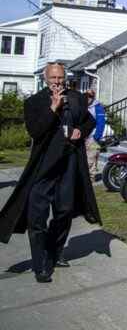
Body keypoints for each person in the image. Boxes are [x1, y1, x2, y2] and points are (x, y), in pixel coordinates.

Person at [0, 63, 101, 283]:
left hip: (69, 164)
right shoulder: (34, 102)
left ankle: (53, 251)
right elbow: (35, 131)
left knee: (64, 211)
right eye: (53, 78)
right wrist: (52, 109)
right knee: (37, 217)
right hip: (43, 167)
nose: (57, 81)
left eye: (60, 77)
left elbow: (89, 121)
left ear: (65, 78)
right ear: (46, 79)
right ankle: (41, 265)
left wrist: (80, 131)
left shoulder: (76, 98)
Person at [85, 90, 107, 182]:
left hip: (93, 138)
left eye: (89, 96)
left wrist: (96, 137)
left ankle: (91, 178)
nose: (87, 98)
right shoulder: (84, 106)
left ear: (93, 97)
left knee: (92, 158)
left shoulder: (98, 108)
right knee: (85, 159)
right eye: (86, 96)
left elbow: (101, 123)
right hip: (84, 137)